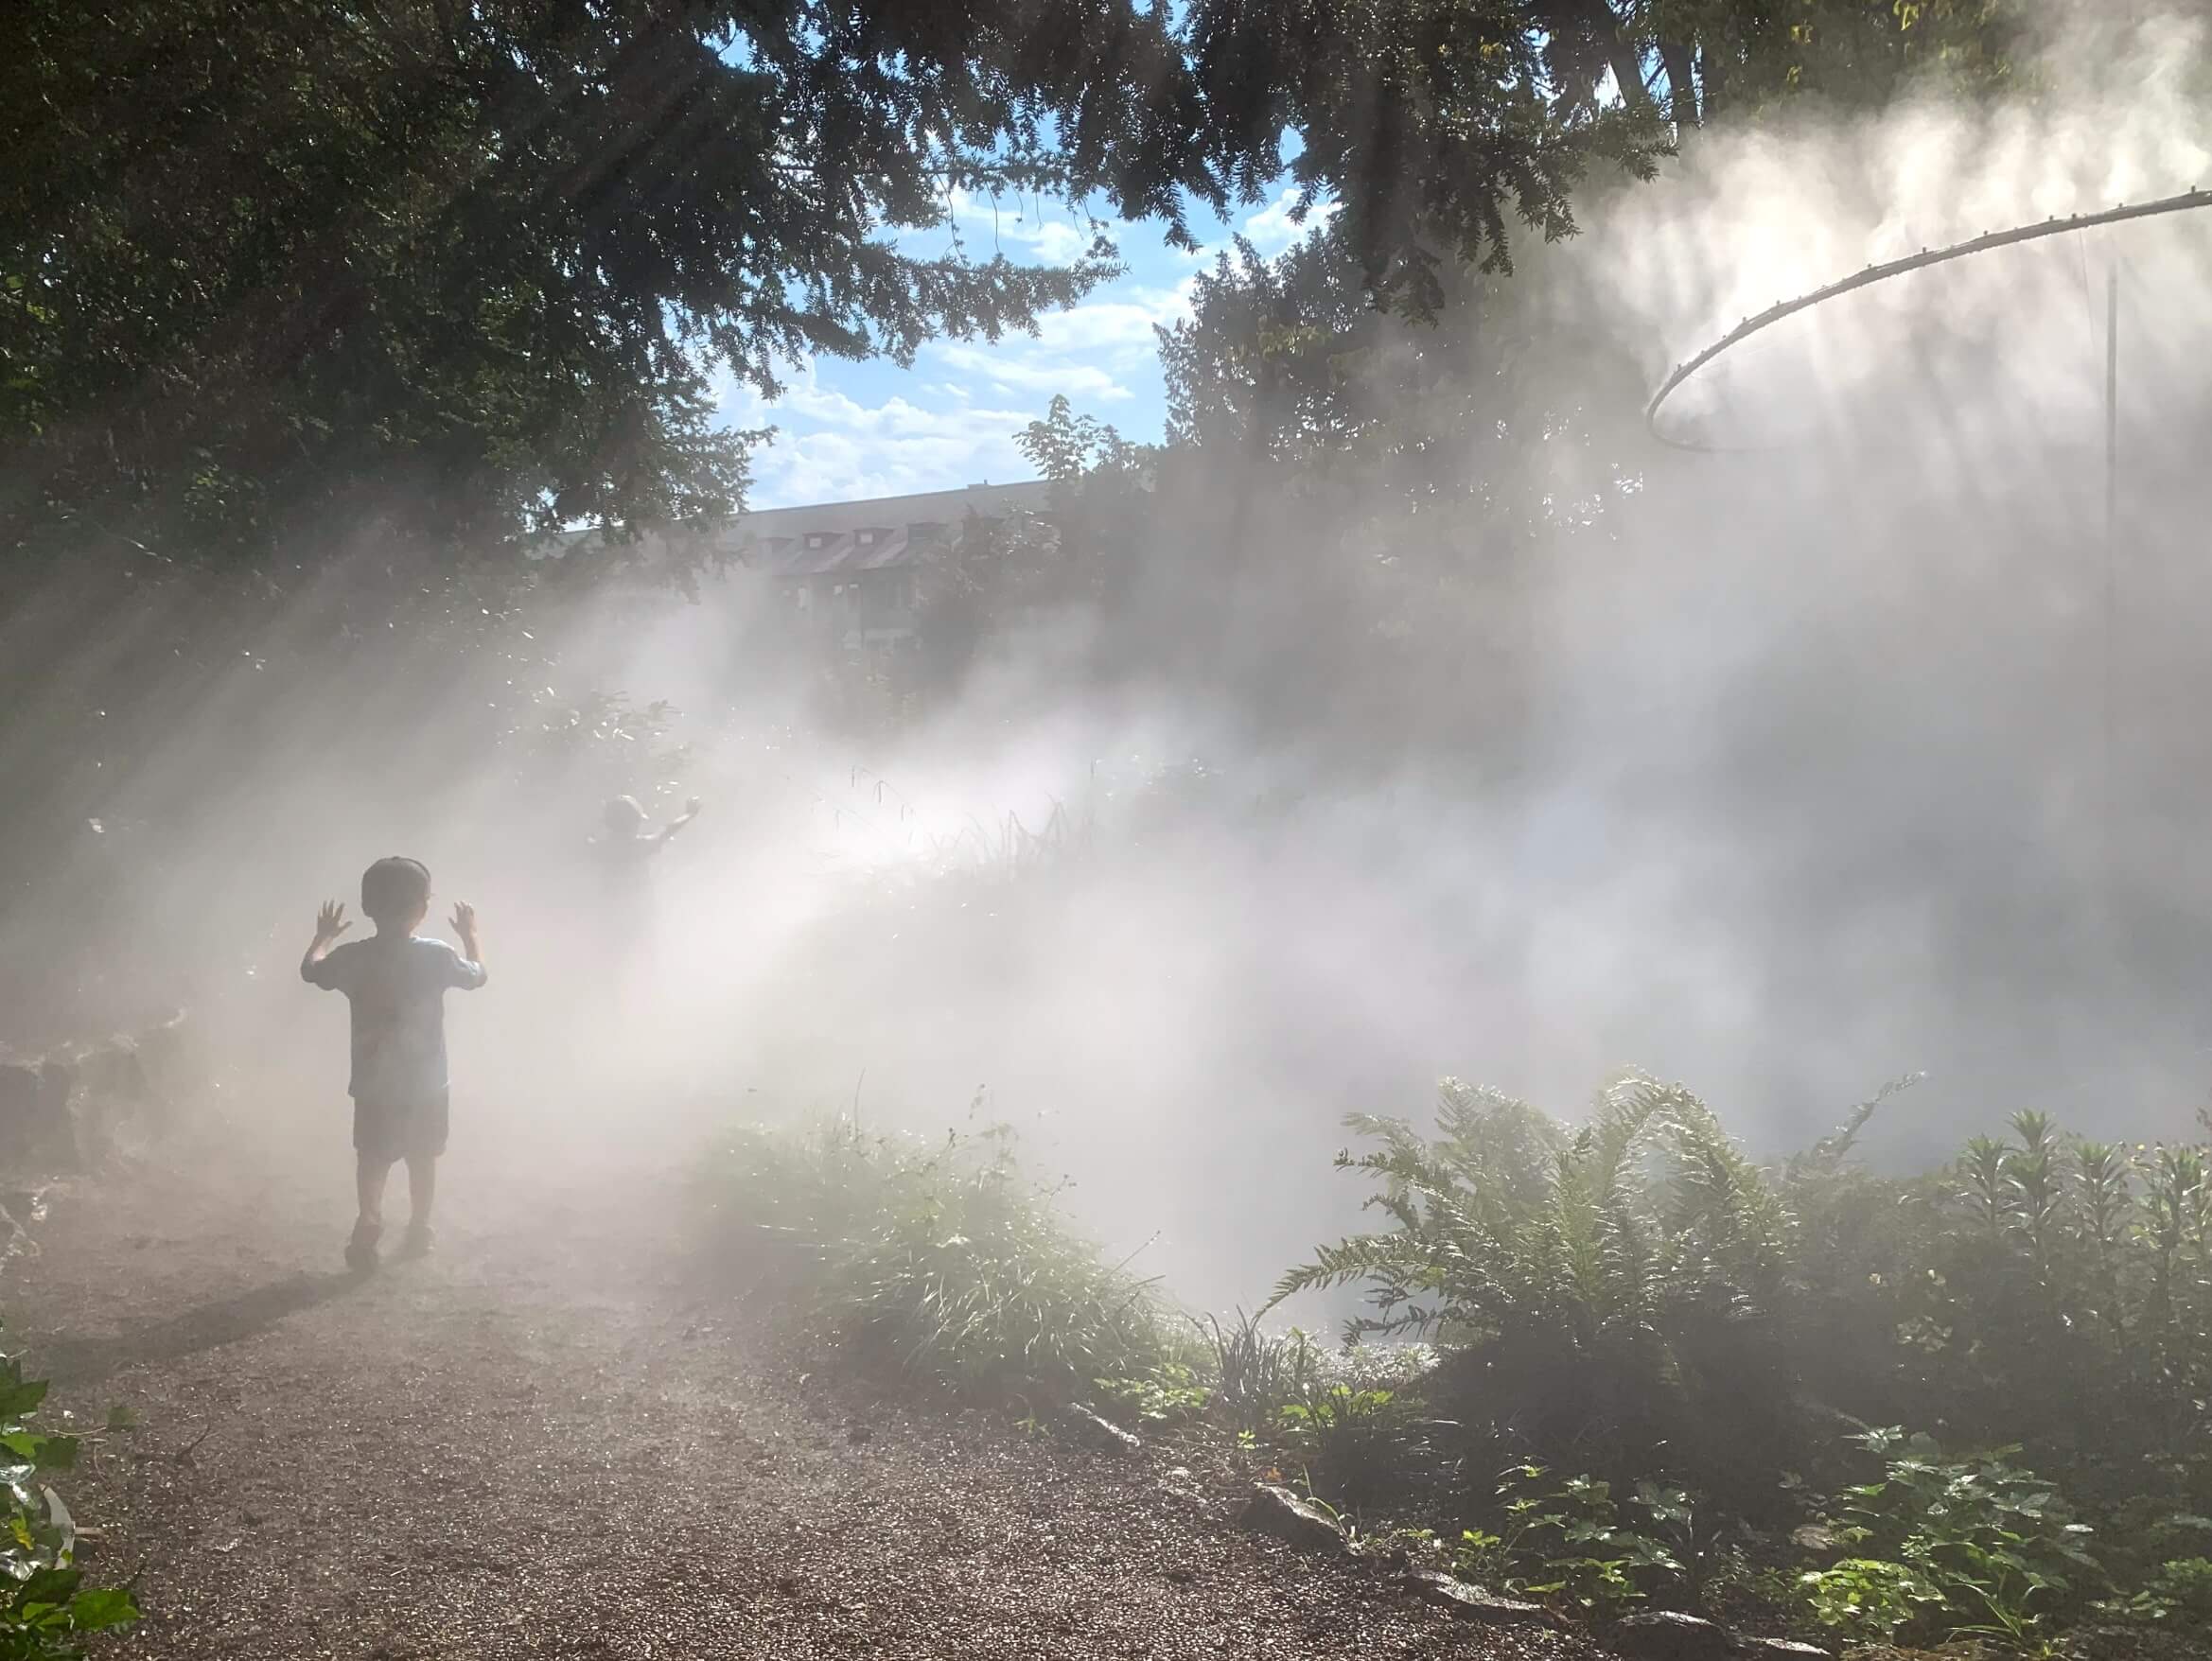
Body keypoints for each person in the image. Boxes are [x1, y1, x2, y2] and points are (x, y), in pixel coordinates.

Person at [300, 857, 486, 1272]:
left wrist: (323, 937)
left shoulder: (353, 957)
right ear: (423, 907)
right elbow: (477, 976)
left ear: (367, 907)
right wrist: (471, 936)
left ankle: (369, 1215)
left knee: (372, 1156)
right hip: (427, 1082)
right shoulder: (438, 956)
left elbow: (311, 971)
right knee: (423, 1156)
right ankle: (419, 1227)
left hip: (373, 1084)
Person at [591, 794, 701, 891]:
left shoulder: (599, 848)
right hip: (640, 910)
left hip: (609, 907)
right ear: (633, 824)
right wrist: (689, 814)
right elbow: (667, 830)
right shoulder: (639, 847)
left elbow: (588, 840)